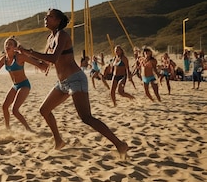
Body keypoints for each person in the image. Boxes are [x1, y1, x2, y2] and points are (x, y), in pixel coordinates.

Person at [18, 9, 129, 157]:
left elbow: (53, 57)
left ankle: (120, 144)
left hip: (76, 79)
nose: (46, 18)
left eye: (50, 16)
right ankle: (59, 141)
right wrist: (23, 55)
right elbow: (45, 63)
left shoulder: (62, 35)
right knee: (44, 110)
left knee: (86, 118)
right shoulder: (49, 38)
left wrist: (29, 51)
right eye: (46, 16)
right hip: (62, 83)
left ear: (58, 20)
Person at [0, 36, 48, 131]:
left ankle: (28, 129)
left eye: (10, 44)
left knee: (14, 110)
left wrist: (45, 65)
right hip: (15, 86)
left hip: (24, 85)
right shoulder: (3, 59)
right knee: (4, 107)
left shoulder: (20, 57)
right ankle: (7, 128)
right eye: (6, 44)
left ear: (15, 48)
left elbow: (38, 64)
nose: (7, 46)